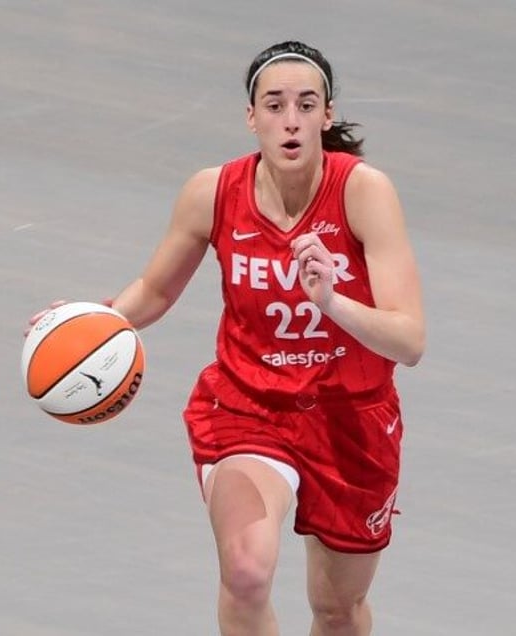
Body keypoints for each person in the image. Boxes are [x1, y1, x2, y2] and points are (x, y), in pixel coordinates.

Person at [31, 40, 425, 635]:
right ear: (251, 116)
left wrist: (332, 301)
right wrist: (92, 318)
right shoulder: (212, 192)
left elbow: (409, 340)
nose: (289, 119)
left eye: (305, 104)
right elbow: (156, 291)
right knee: (245, 572)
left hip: (352, 421)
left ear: (327, 115)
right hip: (249, 407)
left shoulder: (363, 192)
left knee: (336, 610)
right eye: (274, 104)